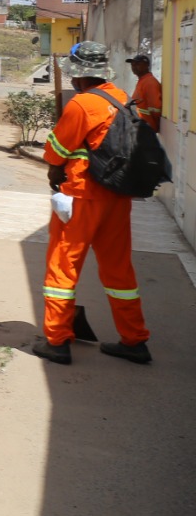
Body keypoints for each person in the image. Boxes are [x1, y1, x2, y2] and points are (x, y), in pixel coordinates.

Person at [33, 41, 152, 365]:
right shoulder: (122, 98)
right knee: (119, 270)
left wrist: (55, 167)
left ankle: (57, 340)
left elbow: (55, 151)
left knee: (63, 267)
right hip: (118, 195)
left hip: (83, 197)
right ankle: (134, 340)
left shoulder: (82, 104)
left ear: (78, 74)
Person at [129, 52, 162, 133]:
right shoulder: (143, 81)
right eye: (132, 65)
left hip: (146, 128)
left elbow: (155, 108)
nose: (134, 67)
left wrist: (153, 124)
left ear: (146, 65)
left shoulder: (149, 82)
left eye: (137, 64)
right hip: (141, 127)